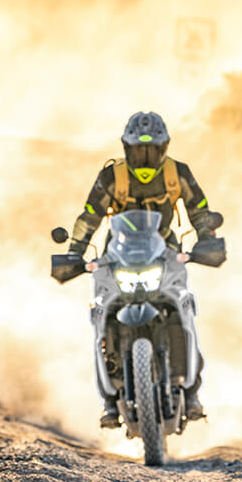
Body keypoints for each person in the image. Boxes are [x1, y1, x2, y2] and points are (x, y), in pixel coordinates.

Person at [66, 111, 219, 427]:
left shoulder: (178, 173)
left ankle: (190, 392)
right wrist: (74, 252)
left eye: (152, 150)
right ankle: (109, 400)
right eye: (139, 150)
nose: (146, 157)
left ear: (164, 147)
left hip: (166, 251)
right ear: (126, 148)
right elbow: (90, 215)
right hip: (117, 255)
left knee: (182, 309)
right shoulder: (112, 176)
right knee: (101, 313)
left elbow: (199, 210)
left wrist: (207, 240)